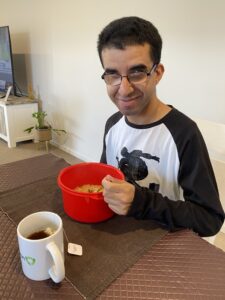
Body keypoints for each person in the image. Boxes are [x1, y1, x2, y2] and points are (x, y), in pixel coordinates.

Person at [97, 16, 224, 237]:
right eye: (113, 75)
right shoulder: (112, 124)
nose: (124, 89)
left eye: (137, 72)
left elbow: (209, 219)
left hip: (164, 246)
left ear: (157, 73)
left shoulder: (184, 133)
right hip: (118, 238)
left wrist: (140, 201)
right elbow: (105, 177)